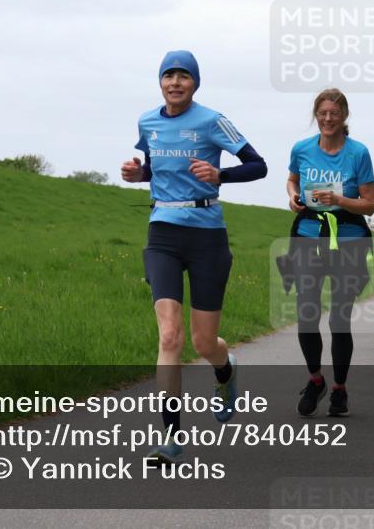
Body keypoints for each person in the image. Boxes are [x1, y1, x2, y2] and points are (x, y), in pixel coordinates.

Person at [122, 50, 267, 463]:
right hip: (162, 233)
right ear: (160, 82)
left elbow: (258, 166)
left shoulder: (211, 121)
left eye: (183, 76)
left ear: (195, 83)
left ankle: (225, 368)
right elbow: (155, 169)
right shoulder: (147, 122)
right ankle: (170, 438)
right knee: (170, 335)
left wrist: (220, 175)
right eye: (168, 75)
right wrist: (138, 175)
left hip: (207, 236)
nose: (175, 82)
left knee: (204, 342)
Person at [285, 88, 374, 417]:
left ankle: (339, 388)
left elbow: (368, 202)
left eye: (334, 113)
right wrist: (294, 197)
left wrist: (340, 201)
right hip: (309, 236)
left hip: (349, 238)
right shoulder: (302, 149)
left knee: (339, 317)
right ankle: (315, 379)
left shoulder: (358, 153)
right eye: (322, 113)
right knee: (306, 313)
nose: (327, 118)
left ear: (344, 116)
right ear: (316, 115)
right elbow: (292, 181)